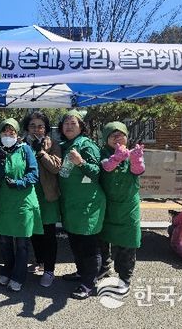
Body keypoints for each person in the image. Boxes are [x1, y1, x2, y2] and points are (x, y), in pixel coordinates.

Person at [58, 110, 106, 299]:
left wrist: (81, 162)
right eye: (66, 123)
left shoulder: (87, 145)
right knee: (75, 242)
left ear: (81, 126)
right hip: (71, 203)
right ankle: (81, 272)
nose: (69, 126)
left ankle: (89, 283)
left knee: (89, 245)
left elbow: (97, 172)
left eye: (73, 123)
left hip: (88, 204)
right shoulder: (64, 145)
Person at [0, 117, 41, 292]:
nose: (8, 135)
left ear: (17, 134)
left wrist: (19, 183)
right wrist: (0, 160)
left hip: (23, 202)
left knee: (21, 243)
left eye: (11, 132)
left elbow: (34, 174)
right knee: (4, 240)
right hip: (5, 202)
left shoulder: (25, 149)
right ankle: (8, 270)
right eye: (5, 132)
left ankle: (18, 276)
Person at [98, 121, 144, 295]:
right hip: (107, 206)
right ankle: (103, 267)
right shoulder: (102, 153)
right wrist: (116, 158)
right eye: (112, 135)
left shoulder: (132, 153)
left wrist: (136, 158)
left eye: (120, 135)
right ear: (105, 139)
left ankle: (124, 278)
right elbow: (106, 166)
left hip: (128, 207)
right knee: (102, 240)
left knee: (127, 244)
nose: (117, 138)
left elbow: (138, 170)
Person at [22, 111, 62, 288]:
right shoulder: (22, 144)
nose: (36, 129)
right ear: (27, 128)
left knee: (48, 233)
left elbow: (56, 168)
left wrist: (41, 152)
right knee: (34, 231)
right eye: (32, 126)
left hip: (47, 195)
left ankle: (49, 270)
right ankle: (40, 261)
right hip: (29, 194)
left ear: (46, 129)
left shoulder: (53, 144)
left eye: (40, 126)